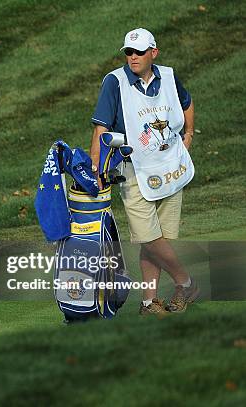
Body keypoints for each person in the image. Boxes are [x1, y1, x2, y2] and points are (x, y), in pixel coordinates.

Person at [89, 28, 199, 316]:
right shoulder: (115, 82)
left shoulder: (170, 76)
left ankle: (149, 302)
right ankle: (185, 282)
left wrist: (188, 135)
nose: (133, 57)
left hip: (170, 166)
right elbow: (100, 128)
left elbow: (186, 103)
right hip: (133, 168)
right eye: (128, 52)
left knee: (157, 236)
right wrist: (96, 166)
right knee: (147, 236)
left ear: (154, 53)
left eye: (139, 52)